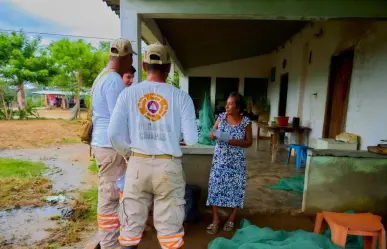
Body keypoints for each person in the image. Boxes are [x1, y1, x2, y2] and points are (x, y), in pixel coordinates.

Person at [108, 43, 198, 249]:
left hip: (137, 164)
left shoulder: (128, 94)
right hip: (168, 167)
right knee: (169, 235)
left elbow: (112, 133)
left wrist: (128, 154)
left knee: (130, 231)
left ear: (143, 65)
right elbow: (192, 139)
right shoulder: (181, 97)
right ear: (168, 68)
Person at [91, 38, 136, 249]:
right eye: (131, 57)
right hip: (111, 149)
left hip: (104, 147)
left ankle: (113, 243)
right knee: (112, 200)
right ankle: (111, 245)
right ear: (125, 57)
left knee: (112, 198)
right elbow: (119, 122)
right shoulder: (114, 81)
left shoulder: (102, 77)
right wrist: (130, 151)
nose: (131, 62)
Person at [206, 92, 253, 234]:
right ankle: (215, 220)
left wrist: (236, 142)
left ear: (238, 107)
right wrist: (214, 134)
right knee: (215, 188)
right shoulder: (221, 118)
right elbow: (212, 132)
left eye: (231, 103)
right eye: (227, 103)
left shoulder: (246, 122)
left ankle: (232, 218)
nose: (227, 105)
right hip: (220, 160)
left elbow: (249, 142)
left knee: (236, 189)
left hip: (236, 161)